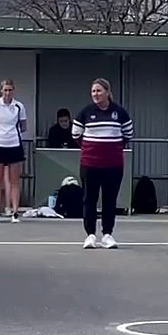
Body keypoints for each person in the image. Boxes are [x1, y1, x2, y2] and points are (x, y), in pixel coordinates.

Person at [72, 78, 133, 249]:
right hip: (90, 164)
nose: (96, 94)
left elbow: (128, 134)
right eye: (93, 91)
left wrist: (111, 147)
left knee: (109, 200)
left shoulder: (119, 112)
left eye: (99, 91)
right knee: (89, 199)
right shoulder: (86, 112)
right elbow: (76, 133)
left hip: (113, 165)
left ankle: (107, 234)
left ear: (107, 92)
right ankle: (90, 234)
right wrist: (92, 147)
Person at [0, 79, 27, 223]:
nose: (8, 93)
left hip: (14, 144)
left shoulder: (19, 106)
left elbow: (23, 125)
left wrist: (14, 133)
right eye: (5, 90)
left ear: (14, 91)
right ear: (1, 91)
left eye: (10, 90)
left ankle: (15, 212)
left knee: (14, 181)